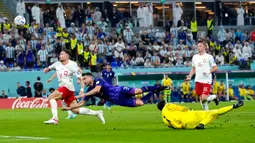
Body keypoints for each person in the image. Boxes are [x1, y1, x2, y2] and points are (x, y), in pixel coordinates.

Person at [43, 50, 105, 125]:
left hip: (67, 88)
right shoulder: (57, 64)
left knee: (51, 97)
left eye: (62, 54)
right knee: (75, 110)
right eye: (59, 54)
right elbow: (49, 68)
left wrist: (82, 89)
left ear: (67, 55)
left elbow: (80, 78)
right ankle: (97, 113)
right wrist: (46, 69)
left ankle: (55, 118)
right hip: (67, 90)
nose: (60, 56)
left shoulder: (72, 65)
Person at [62, 72, 169, 110]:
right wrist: (70, 108)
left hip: (119, 90)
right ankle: (153, 92)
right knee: (140, 103)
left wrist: (83, 94)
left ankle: (158, 88)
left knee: (138, 91)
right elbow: (82, 103)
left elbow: (97, 90)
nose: (83, 81)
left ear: (90, 77)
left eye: (84, 78)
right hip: (118, 100)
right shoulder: (89, 90)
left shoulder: (98, 81)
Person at [157, 100, 244, 129]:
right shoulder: (168, 106)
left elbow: (174, 126)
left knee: (208, 117)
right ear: (164, 104)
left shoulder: (164, 120)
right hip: (190, 115)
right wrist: (187, 109)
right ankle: (233, 106)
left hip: (187, 125)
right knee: (213, 113)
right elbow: (179, 107)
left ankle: (202, 124)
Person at [186, 41, 219, 110]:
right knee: (201, 99)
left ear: (204, 47)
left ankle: (214, 97)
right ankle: (206, 112)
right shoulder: (195, 57)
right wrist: (190, 76)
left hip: (206, 80)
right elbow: (193, 68)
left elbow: (215, 67)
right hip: (198, 80)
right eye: (197, 46)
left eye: (200, 46)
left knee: (204, 98)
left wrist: (208, 71)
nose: (198, 47)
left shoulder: (209, 57)